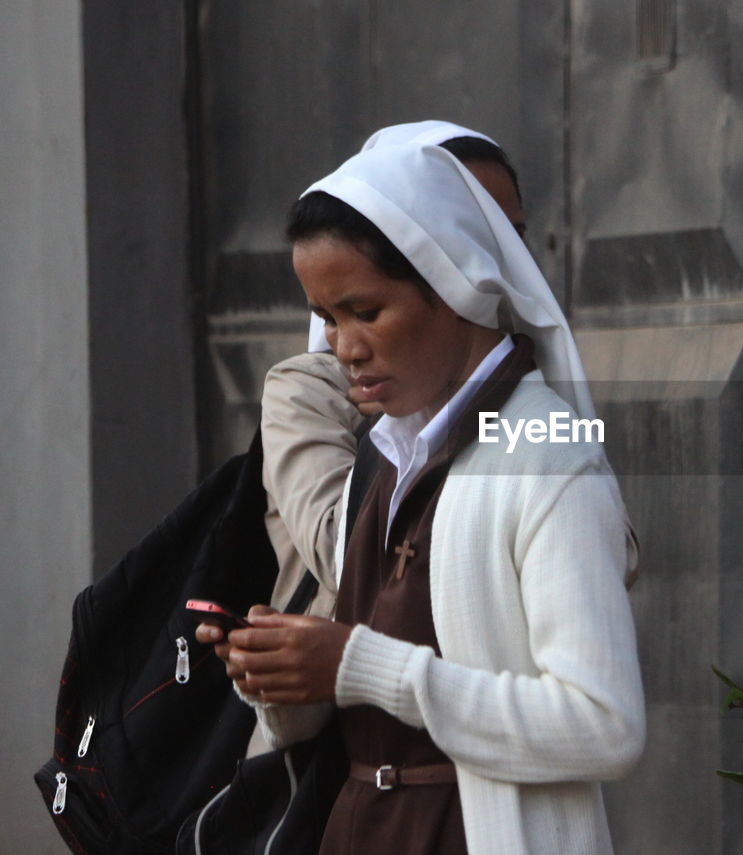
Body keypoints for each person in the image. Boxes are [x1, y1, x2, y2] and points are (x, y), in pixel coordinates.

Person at [197, 126, 645, 854]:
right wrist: (283, 669)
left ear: (454, 281)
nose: (343, 348)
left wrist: (358, 662)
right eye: (327, 318)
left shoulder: (546, 452)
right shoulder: (382, 455)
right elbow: (363, 702)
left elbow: (605, 725)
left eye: (365, 311)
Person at [260, 122, 529, 631]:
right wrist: (405, 421)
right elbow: (347, 561)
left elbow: (614, 550)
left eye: (511, 237)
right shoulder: (307, 390)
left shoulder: (526, 383)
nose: (497, 261)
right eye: (469, 233)